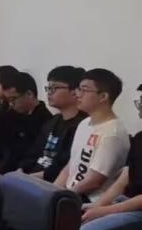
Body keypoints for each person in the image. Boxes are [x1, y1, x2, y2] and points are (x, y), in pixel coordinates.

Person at [65, 81, 142, 230]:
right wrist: (100, 206)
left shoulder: (114, 131)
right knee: (80, 217)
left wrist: (107, 211)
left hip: (137, 209)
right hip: (126, 201)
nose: (140, 108)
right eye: (139, 103)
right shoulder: (140, 138)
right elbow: (126, 177)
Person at [55, 68, 129, 204]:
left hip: (91, 201)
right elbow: (71, 165)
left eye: (84, 90)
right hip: (71, 194)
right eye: (78, 89)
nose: (77, 94)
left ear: (103, 96)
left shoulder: (112, 133)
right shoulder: (84, 123)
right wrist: (53, 191)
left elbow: (94, 181)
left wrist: (61, 197)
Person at [0, 71, 51, 174]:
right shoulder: (13, 114)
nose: (11, 104)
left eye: (13, 99)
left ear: (29, 94)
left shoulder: (45, 121)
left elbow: (26, 154)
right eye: (8, 100)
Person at [18, 66, 86, 182]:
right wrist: (21, 170)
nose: (49, 93)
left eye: (54, 88)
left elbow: (65, 166)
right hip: (34, 176)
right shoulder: (52, 121)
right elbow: (33, 153)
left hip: (52, 182)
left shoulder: (82, 126)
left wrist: (28, 178)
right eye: (48, 88)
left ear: (75, 92)